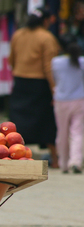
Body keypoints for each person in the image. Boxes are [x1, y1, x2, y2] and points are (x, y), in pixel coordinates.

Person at [8, 7, 60, 168]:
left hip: (20, 82)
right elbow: (48, 67)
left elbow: (12, 60)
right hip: (40, 85)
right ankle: (56, 159)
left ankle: (13, 155)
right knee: (47, 123)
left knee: (18, 122)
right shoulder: (47, 37)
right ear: (45, 21)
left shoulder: (18, 34)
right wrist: (54, 90)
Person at [51, 34, 84, 174]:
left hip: (61, 100)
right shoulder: (82, 61)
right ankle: (76, 161)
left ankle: (63, 163)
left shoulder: (56, 62)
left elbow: (55, 79)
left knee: (62, 133)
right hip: (80, 100)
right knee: (77, 132)